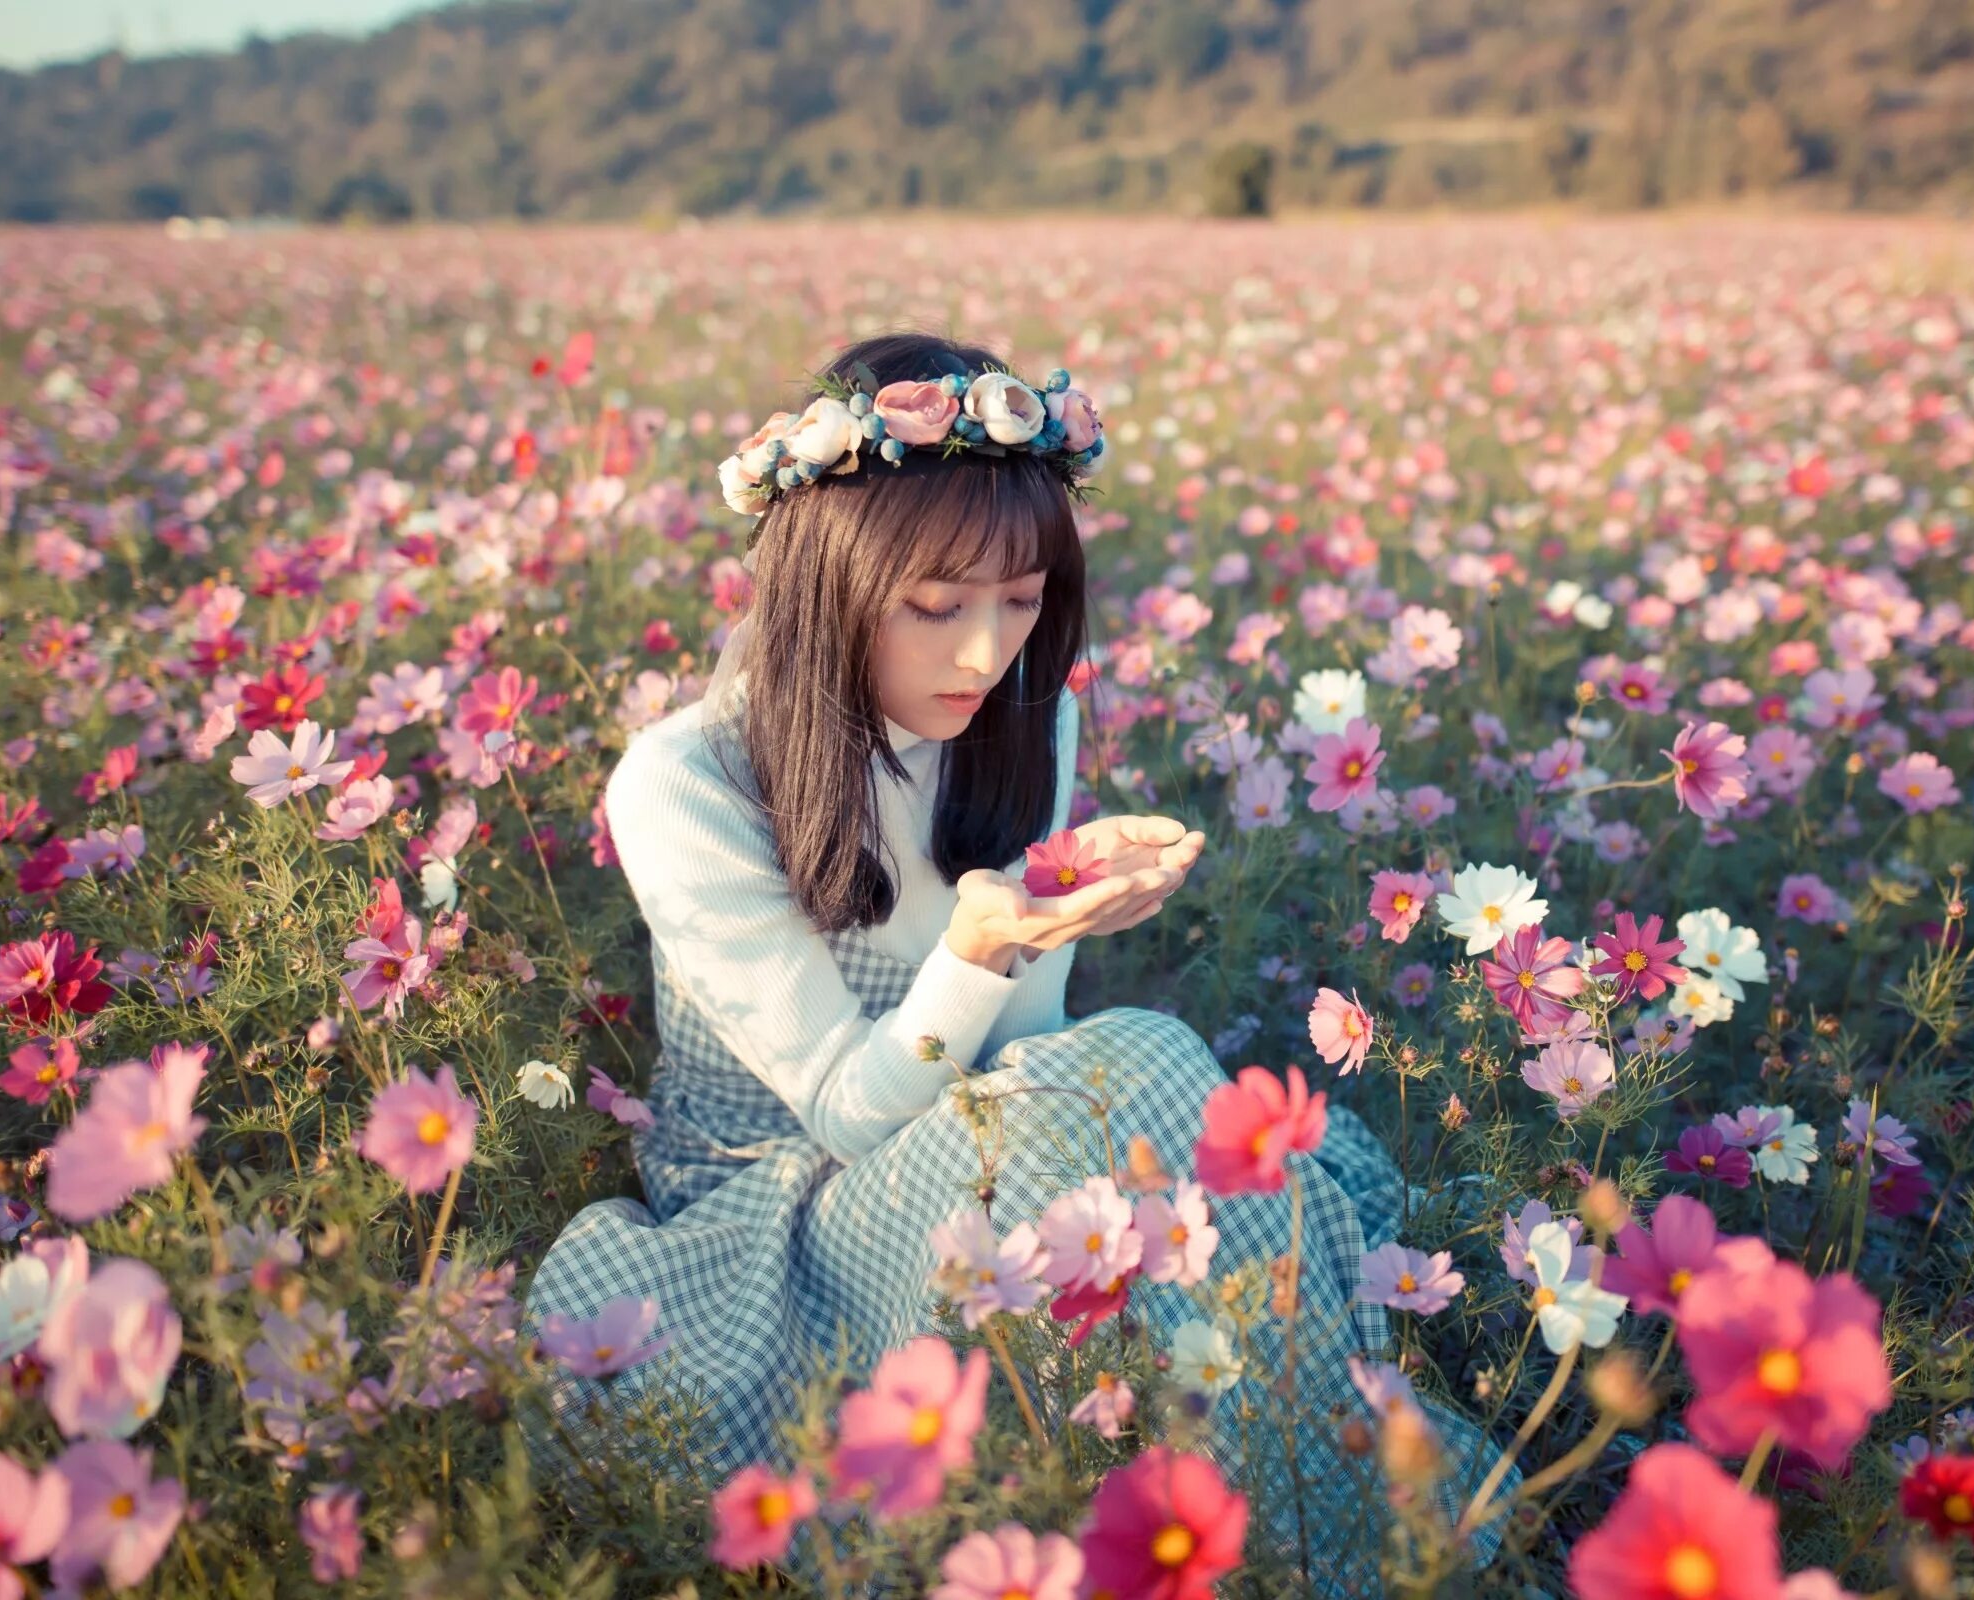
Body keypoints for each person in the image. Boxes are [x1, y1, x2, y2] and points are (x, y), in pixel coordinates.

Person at [527, 331, 1510, 1591]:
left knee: (1127, 1079)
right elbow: (840, 1110)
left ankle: (1294, 1529)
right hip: (772, 1215)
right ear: (826, 585)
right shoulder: (686, 781)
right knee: (1149, 1066)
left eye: (1024, 597)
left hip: (971, 1149)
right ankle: (1326, 1542)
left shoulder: (1030, 716)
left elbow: (1026, 1065)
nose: (986, 654)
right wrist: (979, 948)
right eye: (935, 607)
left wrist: (1056, 926)